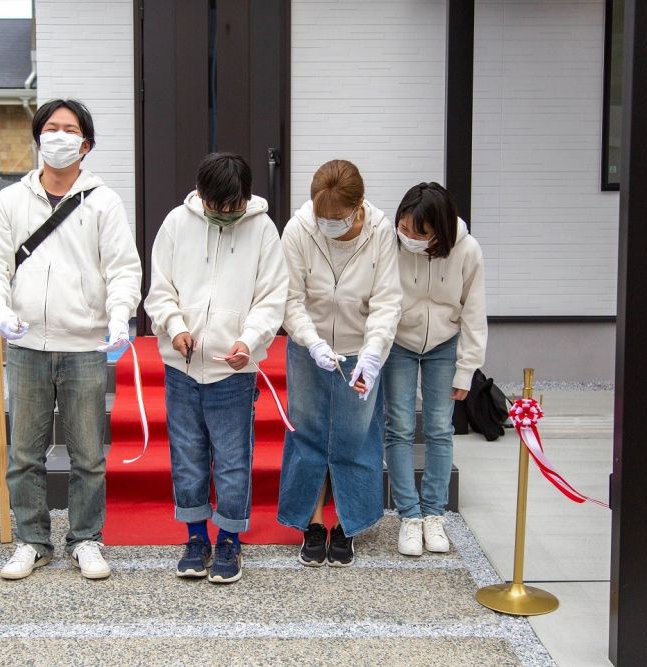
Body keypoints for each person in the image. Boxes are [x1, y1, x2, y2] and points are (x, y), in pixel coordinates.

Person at [0, 99, 142, 580]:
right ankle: (32, 541)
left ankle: (86, 539)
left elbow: (123, 270)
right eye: (52, 128)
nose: (60, 136)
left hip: (85, 343)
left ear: (85, 144)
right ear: (38, 137)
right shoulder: (11, 200)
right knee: (24, 451)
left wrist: (118, 317)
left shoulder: (103, 201)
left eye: (70, 129)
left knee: (87, 452)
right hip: (26, 342)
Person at [144, 152, 287, 584]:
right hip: (182, 365)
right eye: (216, 207)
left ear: (245, 198)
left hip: (233, 370)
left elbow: (271, 297)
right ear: (201, 195)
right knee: (187, 456)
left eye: (233, 207)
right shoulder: (175, 223)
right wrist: (174, 326)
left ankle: (228, 540)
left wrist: (249, 340)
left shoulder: (263, 229)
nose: (225, 214)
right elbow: (160, 289)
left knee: (232, 459)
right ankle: (194, 537)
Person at [277, 159, 402, 567]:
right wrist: (311, 342)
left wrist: (372, 352)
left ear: (358, 206)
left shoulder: (380, 232)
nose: (328, 224)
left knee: (357, 435)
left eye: (337, 218)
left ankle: (348, 523)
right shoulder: (299, 229)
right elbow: (290, 298)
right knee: (308, 432)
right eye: (322, 217)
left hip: (360, 347)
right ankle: (313, 523)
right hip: (308, 346)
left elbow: (387, 300)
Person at [380, 182, 487, 557]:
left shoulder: (466, 250)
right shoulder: (389, 244)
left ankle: (433, 513)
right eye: (403, 227)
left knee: (440, 427)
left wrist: (467, 369)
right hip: (398, 343)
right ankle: (408, 515)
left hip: (445, 343)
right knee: (400, 427)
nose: (407, 236)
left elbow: (474, 311)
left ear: (439, 231)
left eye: (418, 232)